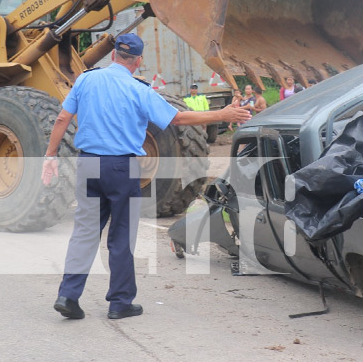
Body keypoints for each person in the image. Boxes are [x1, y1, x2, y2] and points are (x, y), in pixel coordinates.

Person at [43, 34, 250, 321]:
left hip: (88, 164)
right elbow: (177, 119)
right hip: (122, 168)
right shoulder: (139, 90)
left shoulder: (86, 80)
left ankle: (68, 294)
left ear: (113, 55)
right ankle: (119, 303)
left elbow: (62, 119)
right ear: (138, 60)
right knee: (121, 237)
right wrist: (223, 113)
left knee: (85, 233)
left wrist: (50, 156)